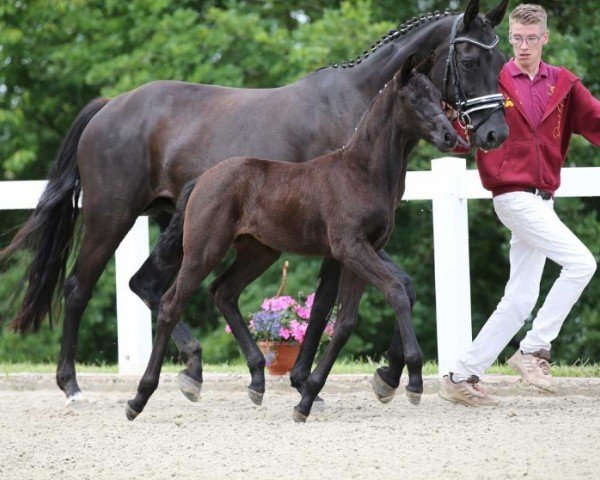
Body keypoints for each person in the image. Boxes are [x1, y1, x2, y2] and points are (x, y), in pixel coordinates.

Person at [439, 3, 600, 407]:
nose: (523, 46)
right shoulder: (492, 79)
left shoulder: (563, 84)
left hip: (544, 200)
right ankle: (533, 351)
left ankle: (461, 375)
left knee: (520, 299)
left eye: (531, 38)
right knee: (582, 264)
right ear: (509, 38)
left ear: (544, 38)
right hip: (511, 195)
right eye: (517, 38)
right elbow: (462, 130)